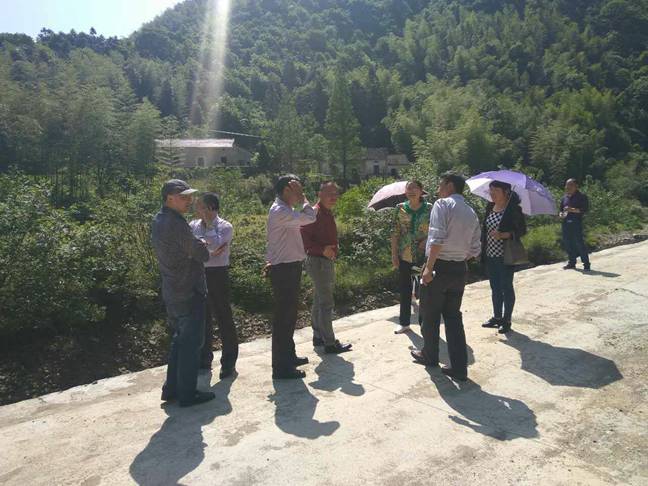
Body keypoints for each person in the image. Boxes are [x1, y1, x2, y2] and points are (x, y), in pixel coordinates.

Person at [410, 173, 481, 382]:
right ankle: (459, 367)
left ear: (450, 185)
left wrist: (429, 268)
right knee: (453, 318)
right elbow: (475, 248)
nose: (438, 188)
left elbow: (437, 239)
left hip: (439, 267)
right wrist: (458, 257)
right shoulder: (470, 212)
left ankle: (430, 355)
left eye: (440, 184)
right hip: (460, 269)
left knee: (429, 315)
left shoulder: (442, 205)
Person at [151, 179, 216, 407]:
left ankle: (171, 389)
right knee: (191, 345)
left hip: (173, 290)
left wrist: (196, 244)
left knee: (179, 341)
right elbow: (202, 254)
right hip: (188, 290)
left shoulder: (159, 219)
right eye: (183, 197)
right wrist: (201, 243)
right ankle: (187, 394)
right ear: (169, 198)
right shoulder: (176, 224)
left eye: (189, 196)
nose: (189, 200)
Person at [266, 174, 317, 379]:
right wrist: (304, 198)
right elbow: (310, 217)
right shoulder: (280, 211)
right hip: (284, 269)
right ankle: (281, 367)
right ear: (287, 190)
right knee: (284, 318)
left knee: (289, 316)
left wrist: (301, 197)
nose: (300, 193)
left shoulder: (284, 210)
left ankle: (289, 356)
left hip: (289, 268)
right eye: (297, 189)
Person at [190, 193, 239, 379]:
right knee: (203, 317)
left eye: (200, 206)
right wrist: (205, 250)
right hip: (198, 273)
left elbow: (216, 247)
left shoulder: (225, 226)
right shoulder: (193, 225)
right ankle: (204, 358)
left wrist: (209, 230)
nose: (197, 209)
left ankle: (228, 363)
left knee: (223, 317)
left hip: (218, 274)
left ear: (210, 208)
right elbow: (191, 249)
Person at [301, 181, 352, 354]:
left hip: (323, 261)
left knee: (319, 299)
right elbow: (303, 238)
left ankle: (318, 336)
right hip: (319, 262)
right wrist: (322, 250)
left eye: (336, 193)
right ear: (319, 194)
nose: (333, 197)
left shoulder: (326, 212)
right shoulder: (314, 213)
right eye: (329, 193)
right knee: (326, 303)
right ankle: (329, 343)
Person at [480, 181, 527, 334]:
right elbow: (485, 228)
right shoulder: (490, 206)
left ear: (506, 191)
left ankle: (506, 320)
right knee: (495, 287)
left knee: (506, 287)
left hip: (505, 255)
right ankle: (497, 317)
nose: (492, 193)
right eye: (490, 190)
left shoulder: (513, 209)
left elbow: (522, 230)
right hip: (490, 254)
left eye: (495, 190)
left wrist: (504, 235)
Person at [390, 180, 433, 334]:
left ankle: (425, 324)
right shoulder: (400, 208)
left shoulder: (430, 208)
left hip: (424, 255)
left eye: (415, 188)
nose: (411, 191)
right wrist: (394, 254)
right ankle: (404, 322)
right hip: (405, 254)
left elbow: (437, 230)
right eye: (408, 189)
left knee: (426, 289)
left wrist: (427, 240)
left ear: (421, 191)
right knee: (405, 289)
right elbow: (394, 232)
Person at [560, 178, 591, 271]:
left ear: (576, 186)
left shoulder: (582, 197)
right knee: (568, 243)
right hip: (566, 223)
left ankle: (586, 264)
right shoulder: (564, 198)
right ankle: (571, 263)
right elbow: (561, 210)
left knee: (579, 243)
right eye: (566, 185)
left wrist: (572, 209)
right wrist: (561, 214)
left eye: (570, 185)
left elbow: (584, 209)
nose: (567, 187)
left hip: (576, 222)